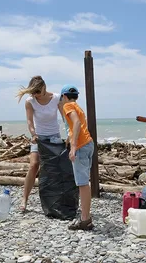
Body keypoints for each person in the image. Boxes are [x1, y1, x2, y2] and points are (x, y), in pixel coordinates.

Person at [16, 76, 62, 212]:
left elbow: (65, 117)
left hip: (54, 137)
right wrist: (33, 134)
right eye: (33, 92)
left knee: (54, 169)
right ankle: (24, 199)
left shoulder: (56, 98)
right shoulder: (30, 101)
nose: (35, 95)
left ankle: (56, 200)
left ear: (44, 88)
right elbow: (30, 121)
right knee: (34, 165)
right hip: (38, 137)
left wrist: (70, 133)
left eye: (37, 92)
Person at [61, 84, 94, 231]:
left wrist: (73, 147)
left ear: (64, 96)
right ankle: (85, 217)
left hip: (80, 147)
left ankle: (85, 219)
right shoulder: (78, 107)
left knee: (82, 184)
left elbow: (76, 123)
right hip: (89, 143)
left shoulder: (67, 106)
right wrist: (69, 139)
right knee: (84, 182)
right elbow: (78, 126)